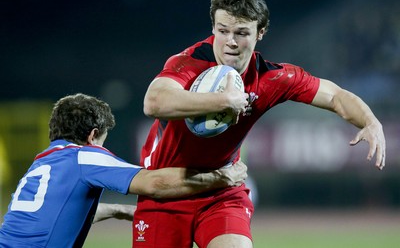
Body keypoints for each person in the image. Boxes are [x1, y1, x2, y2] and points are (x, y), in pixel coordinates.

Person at [134, 0, 386, 248]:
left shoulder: (271, 77)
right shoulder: (189, 61)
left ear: (260, 32)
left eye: (241, 32)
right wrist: (222, 101)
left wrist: (370, 121)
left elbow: (335, 95)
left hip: (222, 188)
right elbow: (154, 102)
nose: (230, 41)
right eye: (223, 30)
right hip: (166, 188)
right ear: (213, 28)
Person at [0, 93, 248, 248]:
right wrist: (222, 177)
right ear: (93, 135)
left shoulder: (43, 161)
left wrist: (119, 211)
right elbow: (154, 182)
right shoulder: (84, 156)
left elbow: (58, 211)